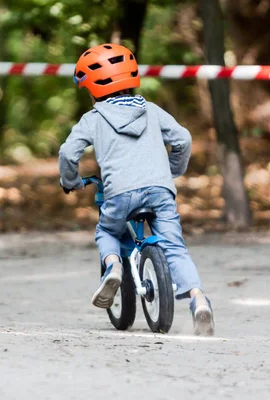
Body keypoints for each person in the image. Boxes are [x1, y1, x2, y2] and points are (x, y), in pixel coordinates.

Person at [58, 43, 214, 336]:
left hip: (119, 193)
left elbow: (68, 154)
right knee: (175, 248)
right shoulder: (152, 110)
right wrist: (172, 172)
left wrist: (70, 182)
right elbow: (182, 139)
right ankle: (199, 299)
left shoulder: (93, 119)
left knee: (107, 232)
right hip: (160, 190)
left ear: (91, 88)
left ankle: (114, 267)